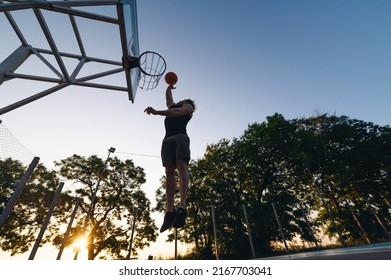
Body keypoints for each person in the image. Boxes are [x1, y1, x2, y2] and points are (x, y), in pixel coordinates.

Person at [144, 85, 195, 233]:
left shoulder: (188, 107)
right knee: (169, 170)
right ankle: (170, 210)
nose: (181, 100)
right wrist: (169, 87)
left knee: (181, 165)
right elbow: (168, 99)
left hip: (181, 137)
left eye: (184, 99)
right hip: (167, 139)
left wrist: (156, 112)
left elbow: (177, 112)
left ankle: (182, 206)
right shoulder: (173, 106)